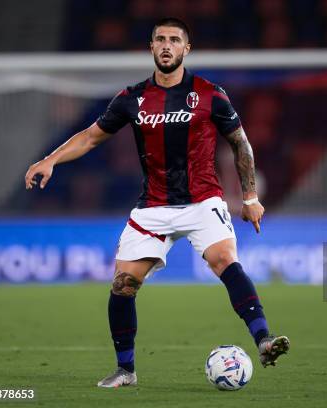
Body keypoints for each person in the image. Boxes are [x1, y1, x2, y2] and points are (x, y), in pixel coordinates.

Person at [25, 17, 289, 388]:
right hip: (152, 207)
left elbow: (240, 142)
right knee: (123, 284)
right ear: (152, 48)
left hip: (203, 202)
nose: (167, 46)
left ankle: (263, 339)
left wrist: (250, 197)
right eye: (160, 40)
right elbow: (90, 137)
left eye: (175, 40)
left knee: (224, 259)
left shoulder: (209, 93)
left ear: (186, 49)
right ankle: (126, 370)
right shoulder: (131, 98)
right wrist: (50, 159)